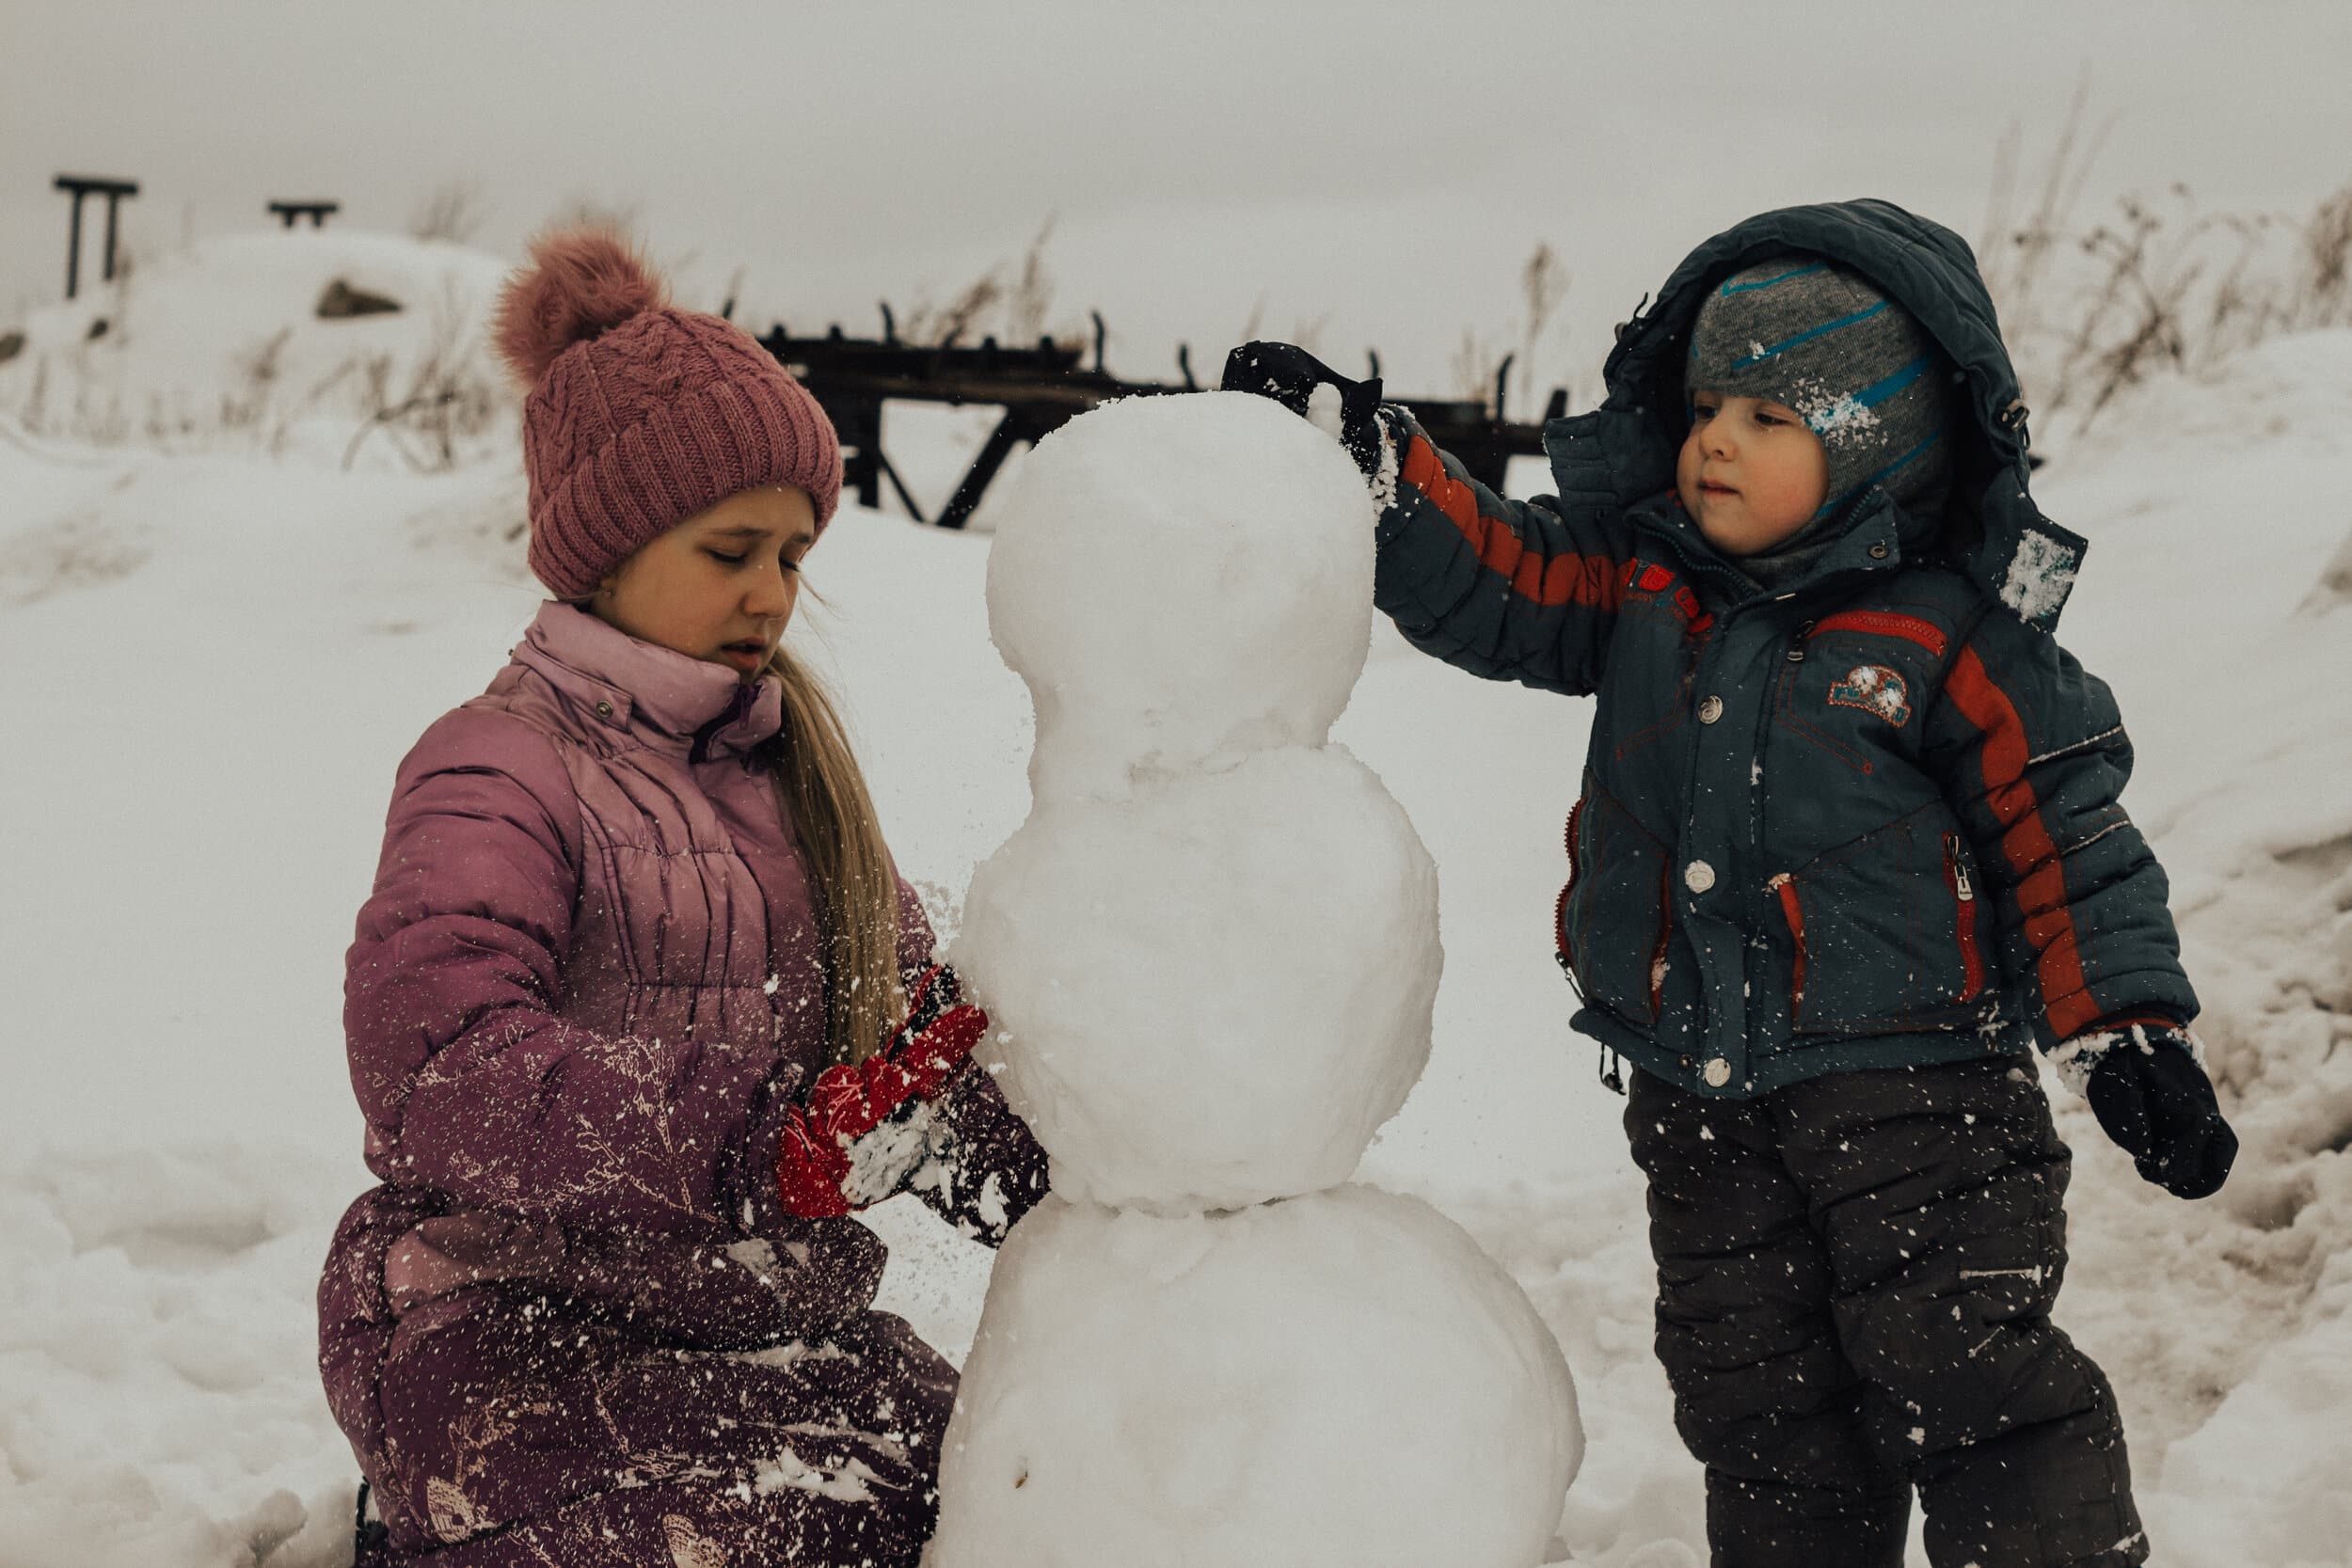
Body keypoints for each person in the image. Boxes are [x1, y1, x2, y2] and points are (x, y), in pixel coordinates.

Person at [1224, 199, 2236, 1568]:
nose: (1715, 442)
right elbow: (1506, 578)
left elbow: (2069, 835)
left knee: (1973, 1384)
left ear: (1876, 440)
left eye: (1771, 416)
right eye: (1708, 405)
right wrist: (1381, 467)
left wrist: (2127, 1031)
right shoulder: (1647, 588)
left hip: (1921, 1103)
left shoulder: (1952, 638)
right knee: (1762, 1411)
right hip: (1700, 1102)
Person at [317, 228, 1048, 1568]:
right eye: (730, 552)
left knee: (1019, 1500)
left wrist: (1002, 1145)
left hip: (771, 1327)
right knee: (733, 1540)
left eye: (791, 556)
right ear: (612, 542)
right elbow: (437, 1066)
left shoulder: (801, 785)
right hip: (504, 1322)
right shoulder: (498, 765)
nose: (771, 593)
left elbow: (906, 1032)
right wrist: (762, 1141)